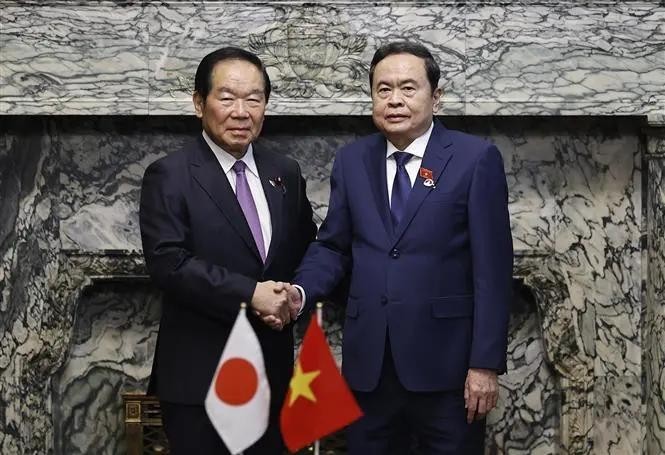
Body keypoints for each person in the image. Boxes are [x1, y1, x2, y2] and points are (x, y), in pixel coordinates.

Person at [287, 41, 513, 454]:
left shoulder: (475, 159)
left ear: (435, 97)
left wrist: (485, 364)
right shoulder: (352, 161)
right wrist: (300, 292)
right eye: (383, 89)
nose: (395, 100)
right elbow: (334, 246)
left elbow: (493, 271)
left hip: (448, 371)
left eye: (408, 88)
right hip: (369, 369)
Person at [139, 47, 317, 454]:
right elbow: (168, 263)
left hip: (273, 380)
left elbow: (309, 247)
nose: (242, 111)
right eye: (227, 97)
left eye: (254, 99)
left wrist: (297, 293)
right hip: (200, 383)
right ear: (199, 102)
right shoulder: (170, 174)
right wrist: (249, 294)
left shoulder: (284, 173)